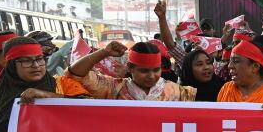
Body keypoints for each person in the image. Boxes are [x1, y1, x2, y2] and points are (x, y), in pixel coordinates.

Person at [68, 41, 196, 101]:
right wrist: (104, 52)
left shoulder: (178, 92)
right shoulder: (113, 87)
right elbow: (75, 73)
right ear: (130, 67)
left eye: (156, 70)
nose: (151, 76)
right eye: (144, 71)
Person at [217, 39, 263, 105]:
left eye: (236, 61)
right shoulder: (227, 88)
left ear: (255, 67)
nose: (229, 66)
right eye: (230, 61)